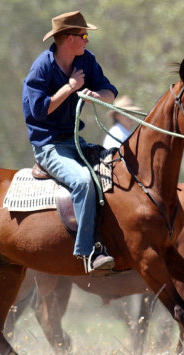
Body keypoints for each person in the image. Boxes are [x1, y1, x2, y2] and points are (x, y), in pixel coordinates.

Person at [22, 11, 118, 272]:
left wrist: (95, 95)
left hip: (75, 141)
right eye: (83, 36)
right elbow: (40, 110)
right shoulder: (42, 67)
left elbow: (110, 93)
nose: (87, 41)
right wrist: (71, 87)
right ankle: (88, 253)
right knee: (83, 182)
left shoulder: (86, 60)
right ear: (67, 39)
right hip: (49, 146)